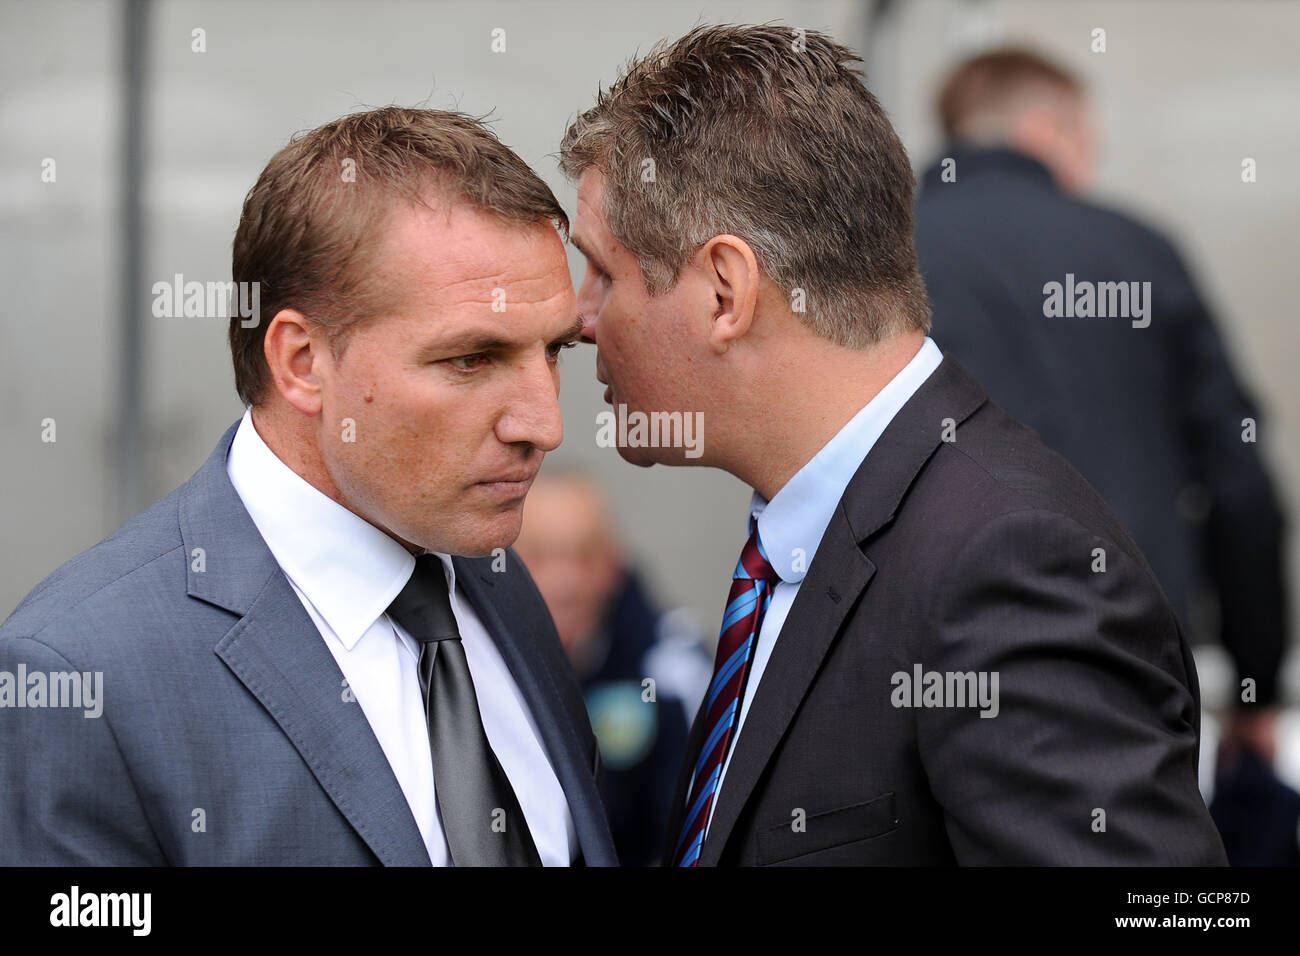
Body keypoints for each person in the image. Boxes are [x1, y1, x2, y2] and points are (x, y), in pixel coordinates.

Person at [560, 24, 1227, 865]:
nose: (578, 320)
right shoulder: (819, 536)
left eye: (604, 273)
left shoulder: (1010, 566)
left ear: (726, 291)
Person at [0, 107, 617, 866]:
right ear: (301, 362)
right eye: (471, 359)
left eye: (553, 351)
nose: (544, 424)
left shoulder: (493, 584)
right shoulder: (80, 675)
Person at [912, 48, 1290, 817]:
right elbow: (1241, 485)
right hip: (1126, 667)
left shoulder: (882, 254)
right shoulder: (1141, 252)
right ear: (1049, 127)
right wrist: (1257, 679)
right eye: (1087, 143)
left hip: (918, 666)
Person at [513, 470, 711, 865]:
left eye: (583, 555)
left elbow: (699, 827)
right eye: (539, 555)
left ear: (614, 562)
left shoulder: (670, 670)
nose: (563, 582)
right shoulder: (462, 666)